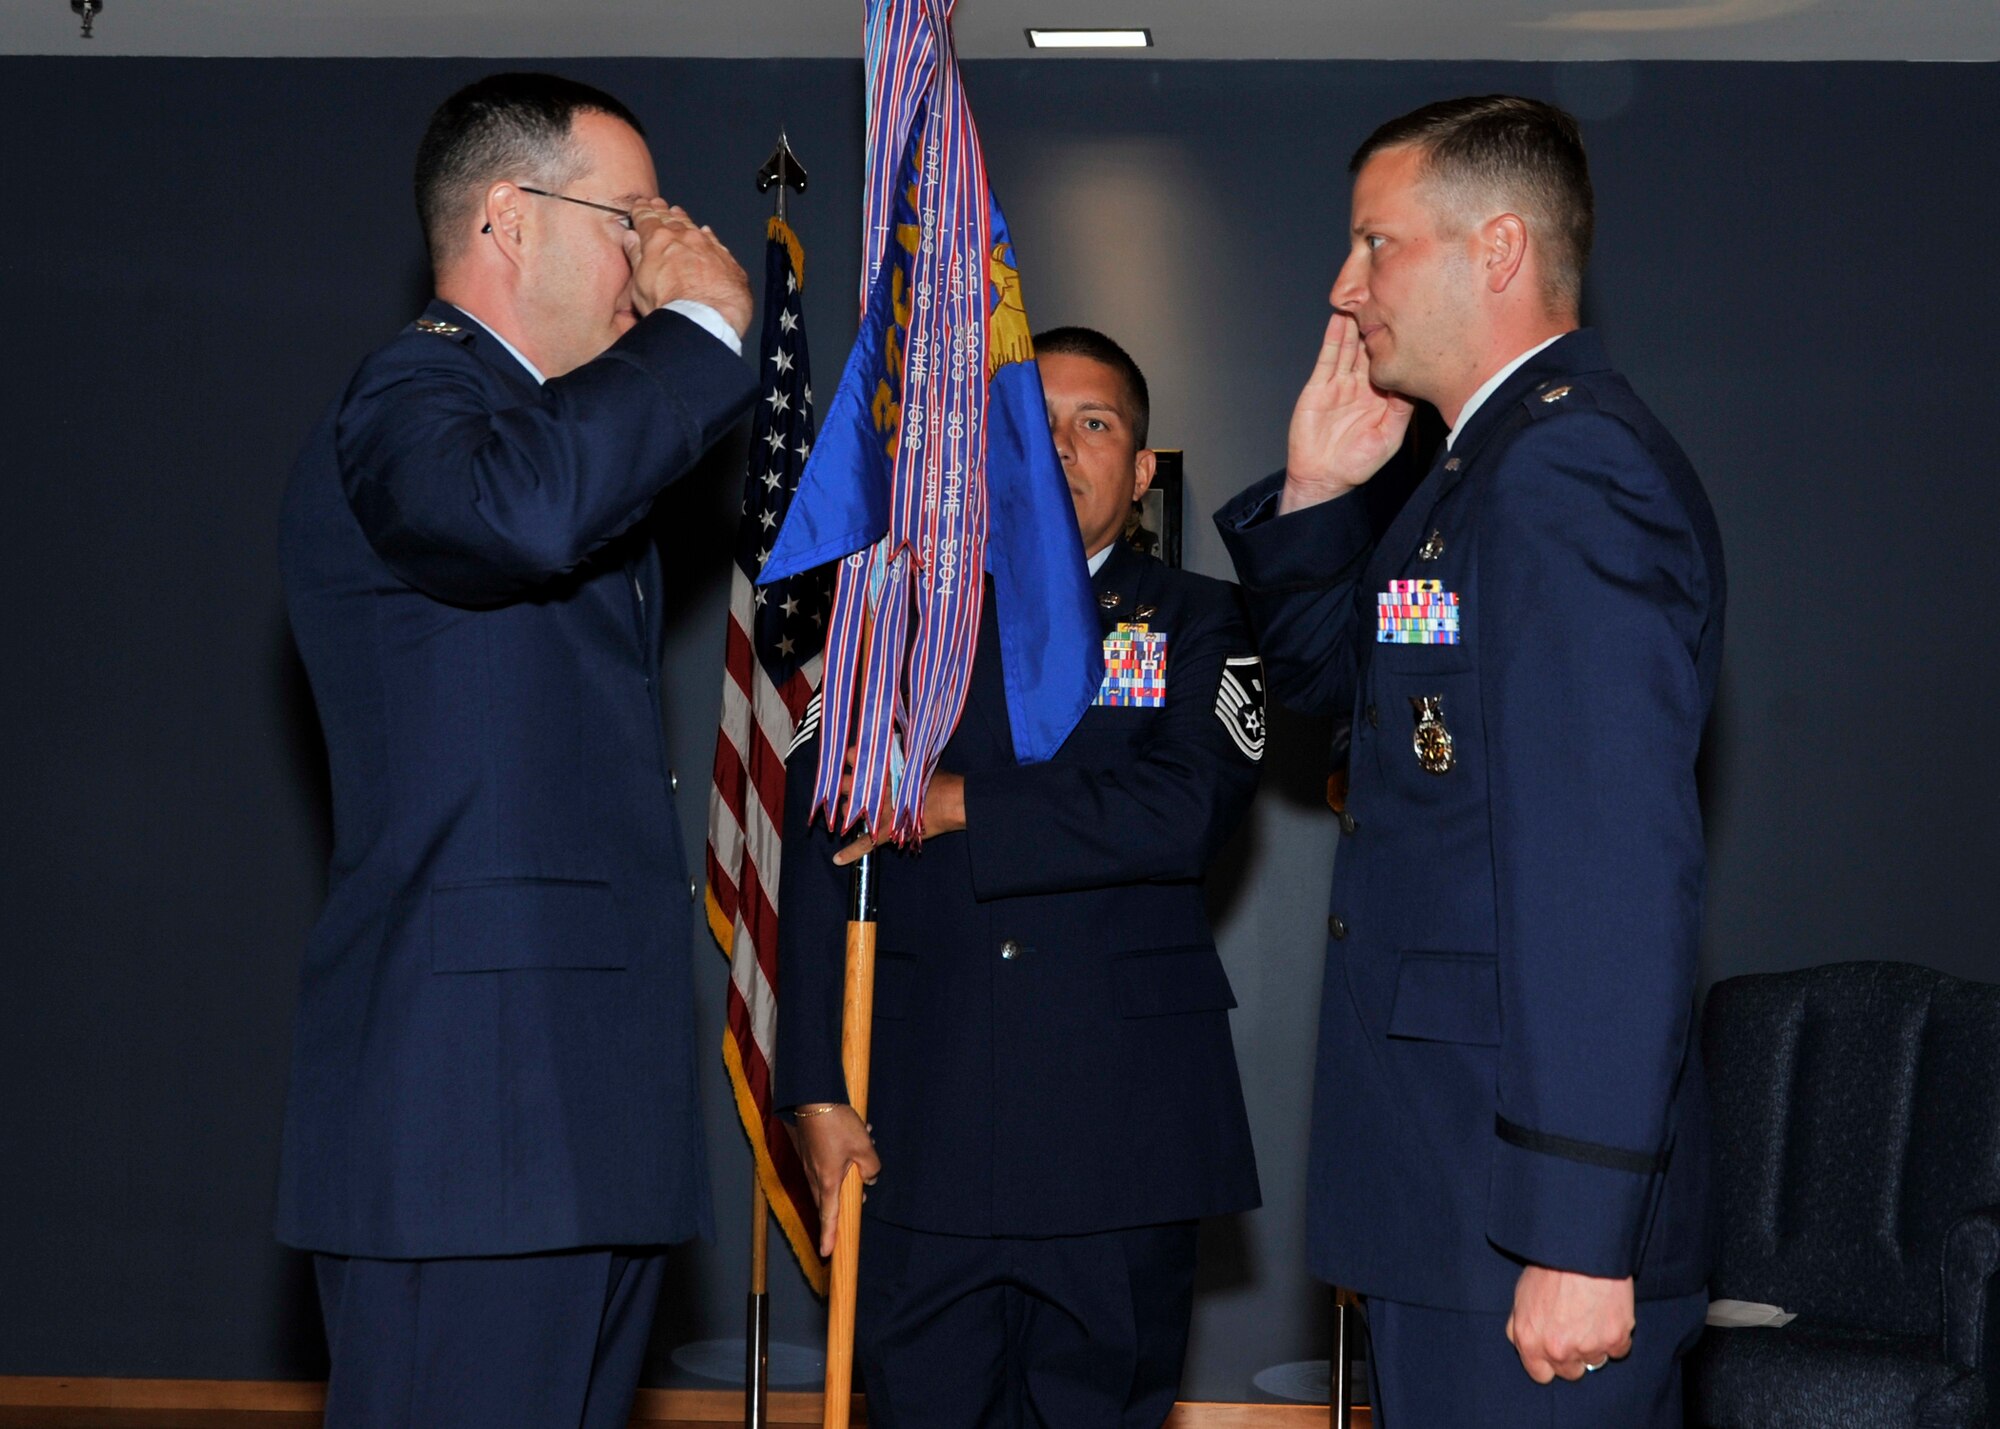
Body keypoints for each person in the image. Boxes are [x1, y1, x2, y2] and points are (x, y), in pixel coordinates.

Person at [1215, 96, 1725, 1426]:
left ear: (1497, 249)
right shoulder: (1472, 478)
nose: (1344, 287)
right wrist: (1318, 497)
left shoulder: (1568, 470)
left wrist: (1578, 1232)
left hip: (1524, 1223)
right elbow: (1339, 697)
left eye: (1374, 244)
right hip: (1449, 1198)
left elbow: (1607, 873)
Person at [275, 72, 755, 1429]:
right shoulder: (412, 394)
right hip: (471, 1123)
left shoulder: (538, 431)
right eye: (631, 219)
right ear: (508, 217)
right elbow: (516, 513)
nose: (656, 255)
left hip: (565, 1117)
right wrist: (706, 327)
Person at [776, 328, 1265, 1427]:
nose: (1062, 447)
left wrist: (960, 803)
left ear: (1141, 468)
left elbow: (1182, 812)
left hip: (1119, 1134)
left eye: (1094, 424)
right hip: (921, 1126)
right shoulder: (896, 629)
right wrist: (811, 1087)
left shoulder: (1200, 620)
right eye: (1031, 426)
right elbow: (815, 859)